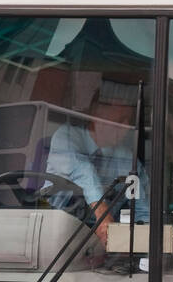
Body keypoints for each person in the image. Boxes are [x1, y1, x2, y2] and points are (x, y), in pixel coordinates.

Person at [45, 94, 149, 244]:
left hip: (105, 249)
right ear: (96, 117)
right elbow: (84, 172)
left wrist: (140, 241)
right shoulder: (66, 136)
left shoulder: (129, 162)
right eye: (119, 120)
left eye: (129, 121)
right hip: (55, 239)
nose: (126, 128)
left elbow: (143, 211)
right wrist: (103, 216)